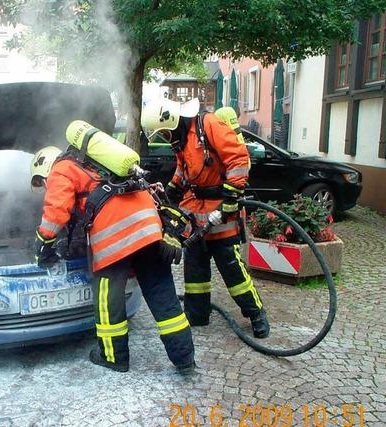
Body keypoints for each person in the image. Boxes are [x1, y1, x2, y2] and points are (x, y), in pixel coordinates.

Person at [30, 143, 196, 374]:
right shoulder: (98, 163)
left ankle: (113, 356)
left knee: (108, 298)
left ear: (46, 168)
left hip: (115, 235)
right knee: (162, 294)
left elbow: (56, 212)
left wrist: (42, 244)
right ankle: (184, 358)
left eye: (43, 183)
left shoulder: (62, 168)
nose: (46, 187)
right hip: (149, 227)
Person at [141, 98, 270, 339]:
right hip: (195, 212)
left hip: (221, 211)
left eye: (164, 134)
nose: (166, 139)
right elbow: (184, 169)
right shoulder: (182, 140)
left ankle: (256, 314)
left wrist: (231, 197)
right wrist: (172, 191)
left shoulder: (208, 124)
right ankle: (197, 314)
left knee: (232, 270)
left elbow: (239, 159)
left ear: (171, 122)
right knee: (195, 271)